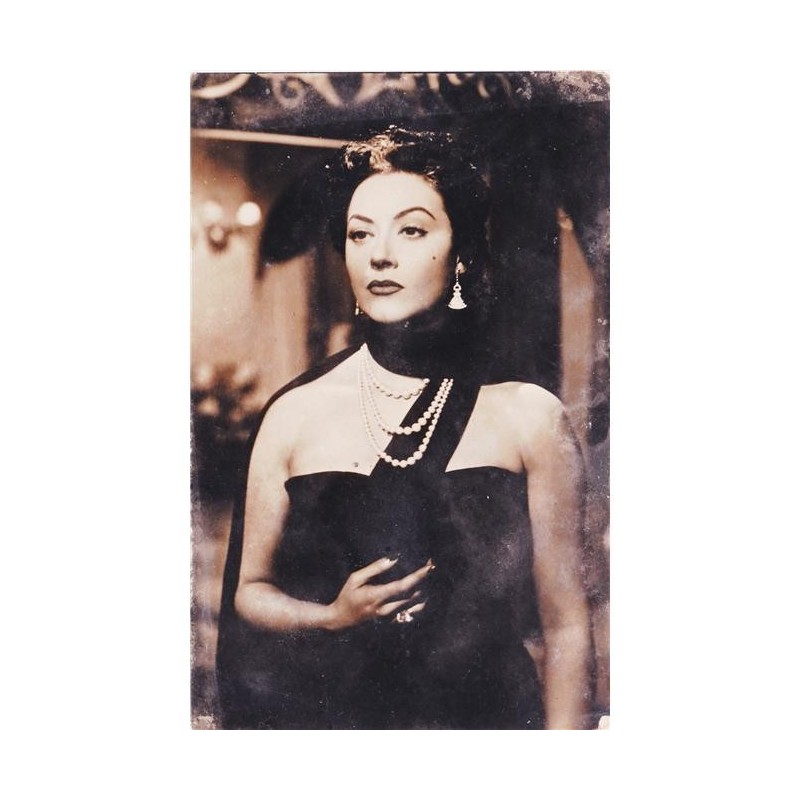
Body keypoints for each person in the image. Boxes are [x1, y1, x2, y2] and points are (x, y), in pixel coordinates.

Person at [215, 127, 594, 729]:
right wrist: (330, 617)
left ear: (461, 251)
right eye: (360, 233)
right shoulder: (294, 412)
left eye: (411, 230)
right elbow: (250, 591)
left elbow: (567, 627)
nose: (379, 254)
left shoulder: (528, 415)